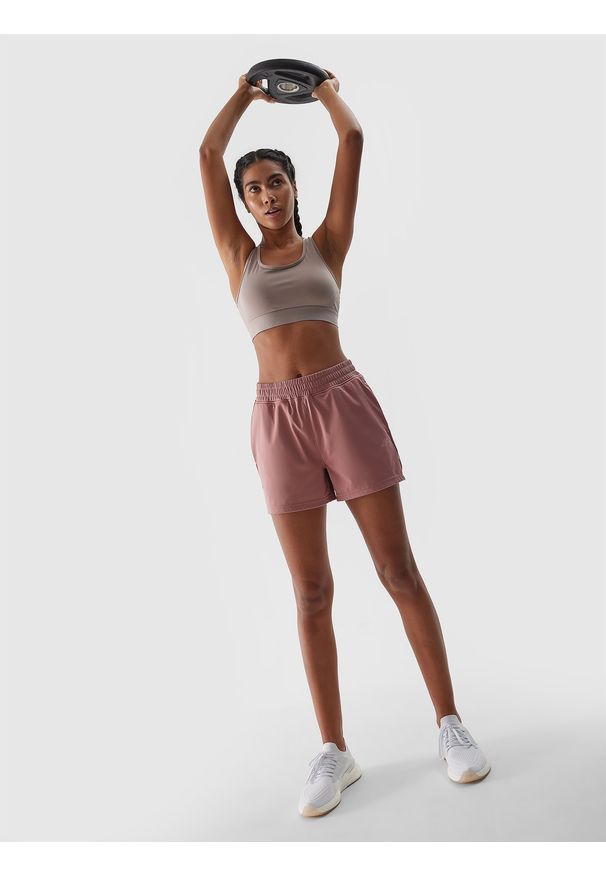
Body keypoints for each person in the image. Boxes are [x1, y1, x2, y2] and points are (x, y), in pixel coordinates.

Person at [198, 69, 491, 817]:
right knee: (311, 592)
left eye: (276, 182)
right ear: (243, 203)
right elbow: (207, 154)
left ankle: (450, 723)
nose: (266, 195)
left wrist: (323, 88)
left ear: (293, 188)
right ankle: (334, 748)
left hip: (342, 403)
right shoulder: (239, 257)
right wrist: (245, 93)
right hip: (277, 421)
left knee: (398, 570)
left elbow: (352, 136)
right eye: (253, 189)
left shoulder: (328, 244)